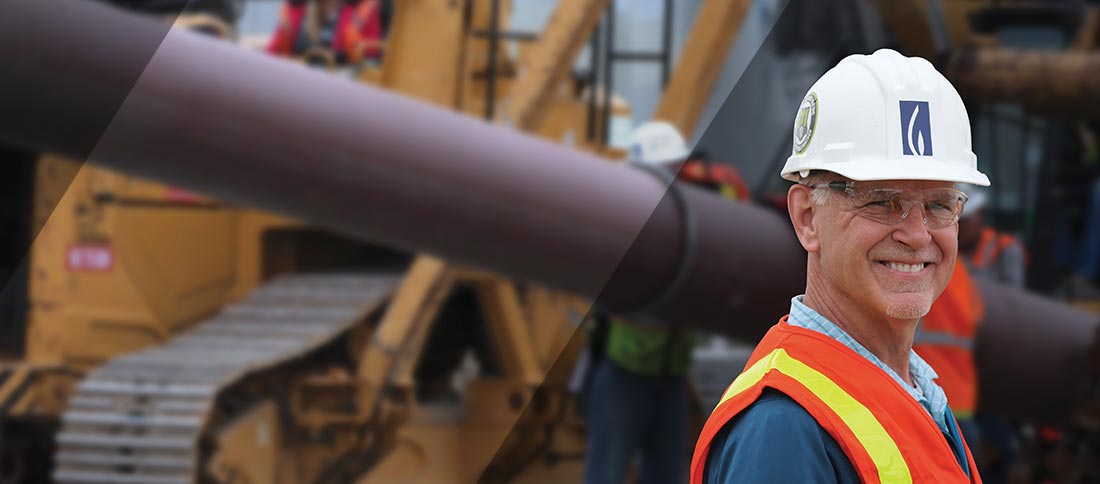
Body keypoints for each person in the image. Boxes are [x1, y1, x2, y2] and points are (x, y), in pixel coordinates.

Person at [691, 49, 988, 483]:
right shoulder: (784, 429)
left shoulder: (916, 396)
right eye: (883, 202)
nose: (918, 234)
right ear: (807, 217)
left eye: (940, 204)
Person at [585, 121, 731, 484]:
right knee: (607, 473)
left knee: (665, 474)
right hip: (624, 377)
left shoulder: (688, 219)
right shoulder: (628, 225)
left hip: (670, 378)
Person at [268, 0, 384, 66]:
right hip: (295, 83)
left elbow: (370, 63)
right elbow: (272, 54)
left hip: (339, 89)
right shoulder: (296, 7)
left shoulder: (364, 11)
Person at [957, 186, 1027, 287]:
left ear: (979, 215)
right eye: (957, 222)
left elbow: (1014, 295)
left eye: (965, 222)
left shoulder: (1007, 248)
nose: (961, 228)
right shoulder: (954, 248)